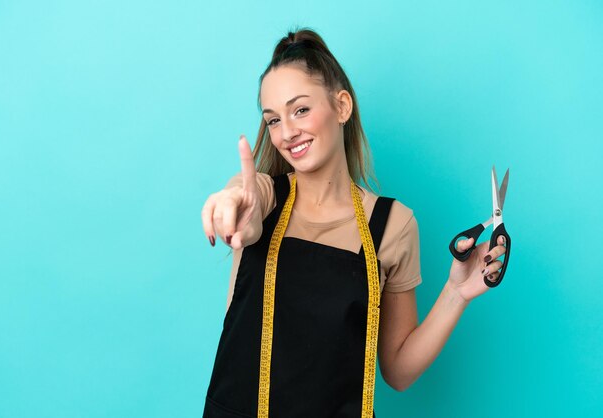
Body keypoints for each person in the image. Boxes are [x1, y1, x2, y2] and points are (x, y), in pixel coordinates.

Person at [200, 28, 507, 418]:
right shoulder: (260, 197)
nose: (287, 132)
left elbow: (396, 370)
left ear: (341, 106)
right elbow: (246, 200)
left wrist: (456, 293)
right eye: (273, 120)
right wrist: (234, 204)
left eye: (301, 110)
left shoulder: (393, 224)